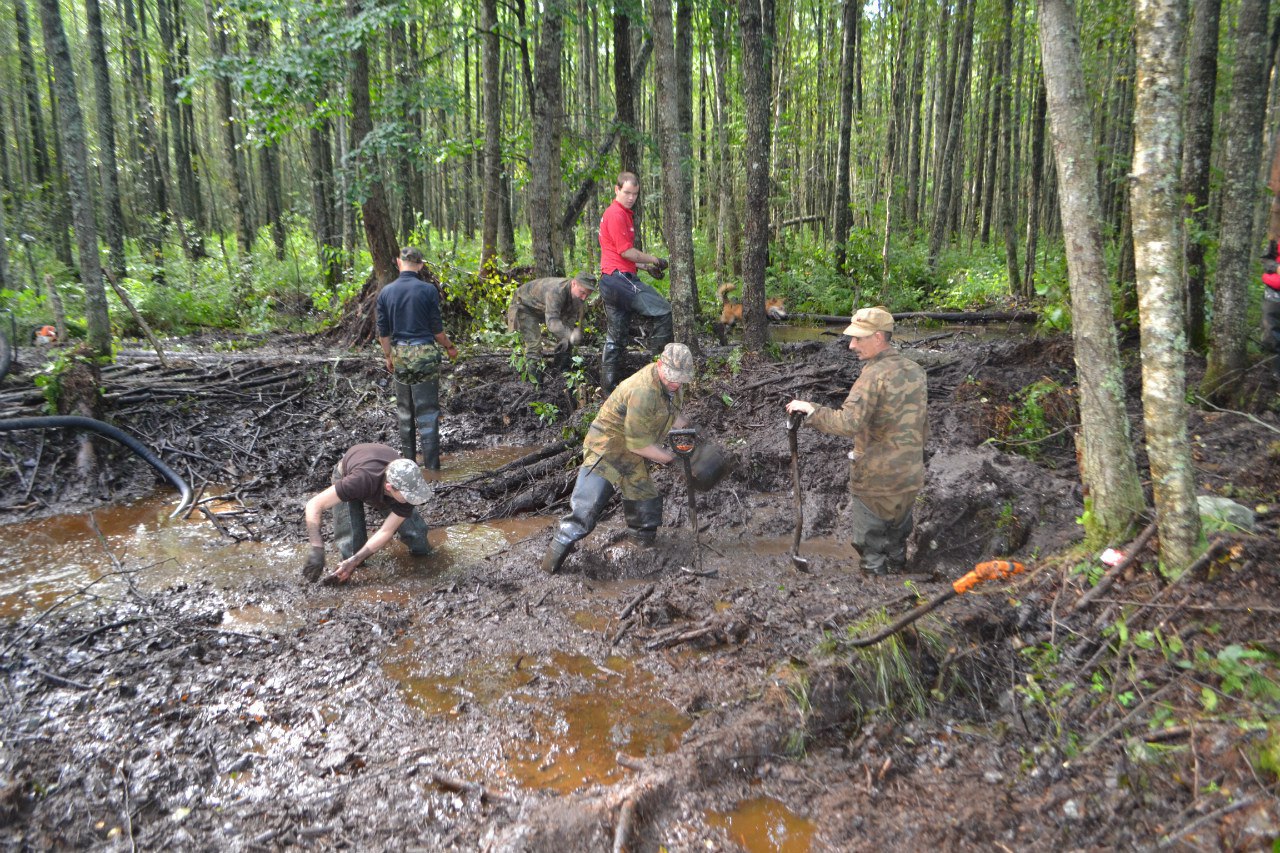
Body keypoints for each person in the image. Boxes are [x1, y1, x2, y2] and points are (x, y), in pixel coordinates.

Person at [785, 306, 927, 575]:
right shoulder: (916, 371)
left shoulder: (872, 376)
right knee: (897, 543)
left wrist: (812, 410)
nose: (851, 345)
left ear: (878, 337)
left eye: (858, 338)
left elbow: (849, 422)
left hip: (876, 478)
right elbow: (922, 423)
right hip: (909, 474)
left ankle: (877, 598)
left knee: (872, 549)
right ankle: (898, 580)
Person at [540, 343, 695, 574]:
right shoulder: (644, 390)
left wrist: (690, 429)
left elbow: (670, 414)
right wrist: (672, 461)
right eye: (673, 377)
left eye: (681, 379)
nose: (676, 383)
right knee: (584, 513)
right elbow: (638, 444)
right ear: (660, 365)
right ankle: (548, 569)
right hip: (608, 448)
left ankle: (642, 550)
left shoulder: (672, 386)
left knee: (646, 501)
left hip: (632, 452)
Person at [303, 443, 434, 585]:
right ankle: (344, 571)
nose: (411, 500)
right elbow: (314, 504)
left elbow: (386, 530)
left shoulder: (408, 485)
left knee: (417, 537)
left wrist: (356, 560)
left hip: (381, 477)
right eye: (408, 496)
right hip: (349, 472)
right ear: (390, 488)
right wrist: (317, 547)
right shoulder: (359, 481)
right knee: (352, 545)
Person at [377, 247, 460, 469]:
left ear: (398, 262)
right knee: (428, 412)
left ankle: (409, 468)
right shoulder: (428, 290)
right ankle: (432, 468)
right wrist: (450, 347)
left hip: (401, 355)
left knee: (405, 413)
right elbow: (437, 331)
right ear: (421, 265)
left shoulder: (385, 292)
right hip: (425, 354)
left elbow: (383, 333)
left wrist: (388, 356)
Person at [598, 171, 672, 394]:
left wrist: (647, 268)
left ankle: (609, 388)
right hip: (618, 279)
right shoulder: (616, 214)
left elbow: (619, 254)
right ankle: (655, 372)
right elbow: (626, 252)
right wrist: (655, 259)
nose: (631, 197)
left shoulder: (621, 214)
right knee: (663, 310)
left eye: (635, 194)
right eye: (627, 192)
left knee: (616, 337)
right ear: (617, 190)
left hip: (610, 280)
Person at [506, 271, 596, 378]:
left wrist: (567, 337)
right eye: (582, 293)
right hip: (525, 306)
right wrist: (571, 335)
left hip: (543, 307)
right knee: (534, 345)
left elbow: (570, 318)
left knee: (565, 342)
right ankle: (533, 383)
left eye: (587, 295)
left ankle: (560, 375)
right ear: (574, 284)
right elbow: (552, 323)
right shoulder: (556, 291)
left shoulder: (578, 297)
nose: (584, 298)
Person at [1263, 241, 1280, 377]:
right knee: (1271, 333)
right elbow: (1265, 259)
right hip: (1273, 294)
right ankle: (1276, 373)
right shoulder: (1275, 236)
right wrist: (1276, 267)